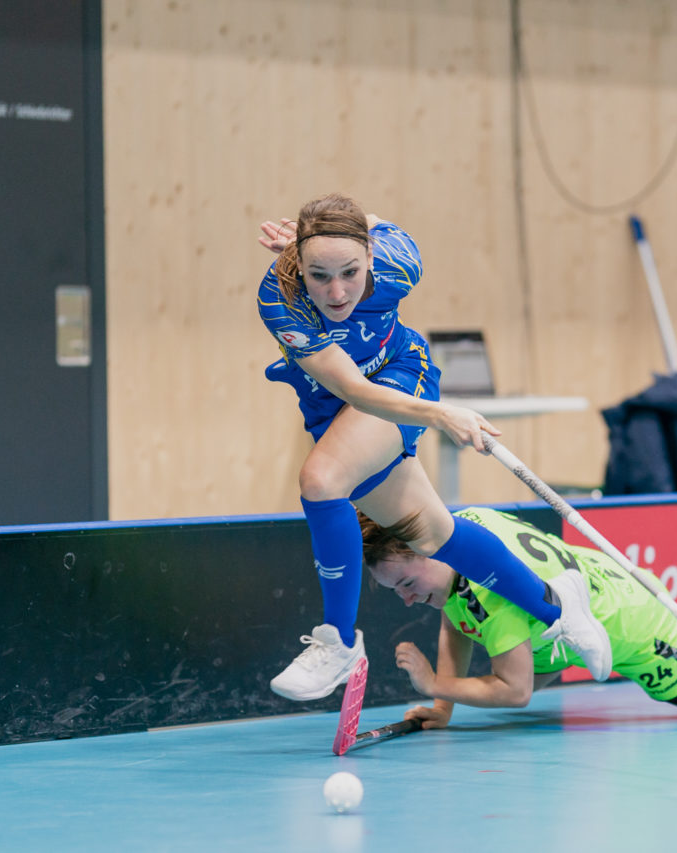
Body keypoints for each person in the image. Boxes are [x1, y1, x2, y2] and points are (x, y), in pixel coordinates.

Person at [255, 193, 611, 701]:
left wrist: (440, 409)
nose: (336, 292)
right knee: (433, 536)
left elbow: (373, 222)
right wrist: (444, 416)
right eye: (319, 275)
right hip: (340, 402)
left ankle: (337, 642)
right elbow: (353, 390)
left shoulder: (400, 260)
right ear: (299, 267)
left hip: (403, 374)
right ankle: (558, 607)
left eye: (350, 272)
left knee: (321, 479)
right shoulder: (280, 298)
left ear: (371, 256)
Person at [360, 506, 677, 725]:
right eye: (394, 591)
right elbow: (457, 613)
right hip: (592, 581)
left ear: (430, 551)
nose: (405, 599)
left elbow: (516, 691)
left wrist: (433, 687)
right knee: (529, 651)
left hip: (629, 624)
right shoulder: (463, 528)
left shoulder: (496, 603)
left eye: (406, 583)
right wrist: (445, 712)